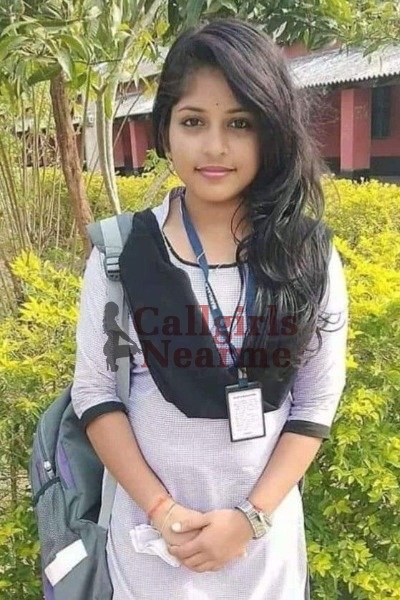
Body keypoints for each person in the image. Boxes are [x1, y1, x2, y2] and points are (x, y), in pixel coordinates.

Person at [71, 16, 348, 600]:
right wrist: (162, 510)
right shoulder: (121, 255)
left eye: (240, 123)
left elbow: (315, 399)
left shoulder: (306, 255)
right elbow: (96, 393)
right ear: (165, 128)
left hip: (265, 559)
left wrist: (250, 519)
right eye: (193, 121)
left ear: (271, 131)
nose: (215, 147)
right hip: (151, 553)